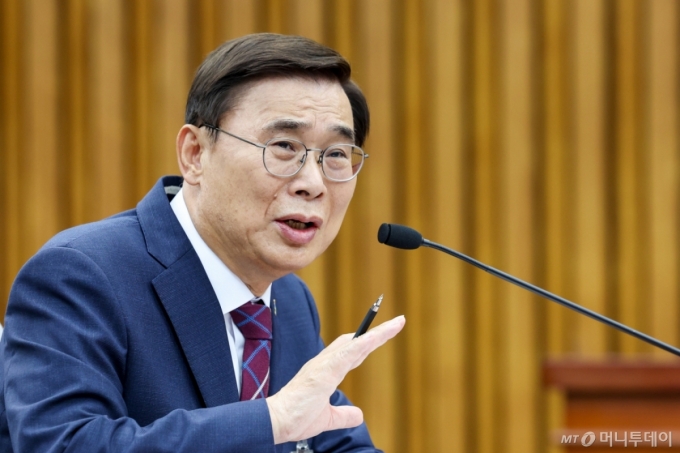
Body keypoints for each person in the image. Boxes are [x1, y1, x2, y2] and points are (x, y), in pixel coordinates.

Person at [0, 33, 405, 452]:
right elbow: (66, 443)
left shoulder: (290, 300)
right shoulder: (80, 276)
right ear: (195, 154)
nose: (313, 183)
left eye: (336, 154)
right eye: (285, 146)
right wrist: (273, 420)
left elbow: (338, 444)